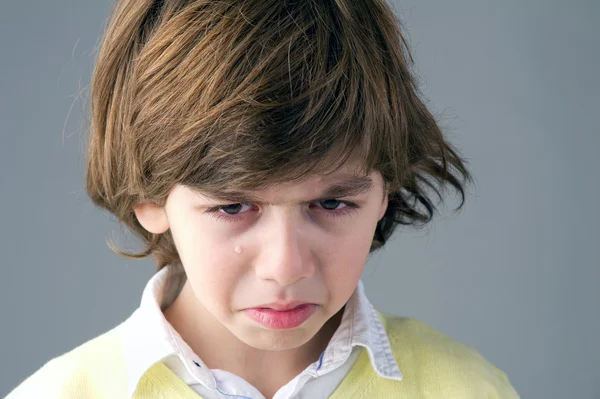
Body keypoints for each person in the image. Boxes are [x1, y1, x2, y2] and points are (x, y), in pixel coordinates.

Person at [7, 0, 519, 397]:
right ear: (149, 196)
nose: (286, 266)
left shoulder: (470, 389)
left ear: (386, 188)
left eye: (333, 204)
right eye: (233, 207)